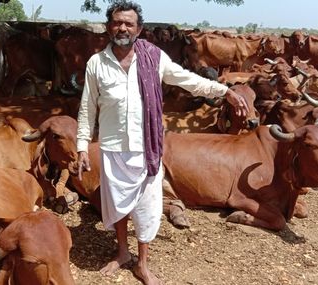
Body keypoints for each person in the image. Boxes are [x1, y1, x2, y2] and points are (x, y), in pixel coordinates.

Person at [75, 1, 249, 284]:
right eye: (118, 22)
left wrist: (224, 91)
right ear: (109, 27)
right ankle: (122, 252)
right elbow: (87, 107)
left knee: (147, 204)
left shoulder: (154, 57)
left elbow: (188, 80)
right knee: (116, 202)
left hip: (147, 147)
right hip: (113, 145)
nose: (122, 28)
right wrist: (83, 145)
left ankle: (142, 263)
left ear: (139, 29)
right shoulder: (97, 63)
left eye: (129, 24)